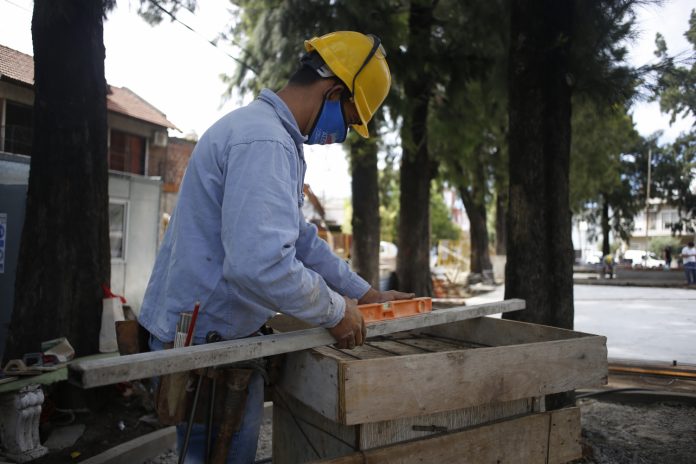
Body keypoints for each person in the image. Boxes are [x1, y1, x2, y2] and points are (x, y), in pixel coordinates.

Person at [138, 31, 413, 463]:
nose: (341, 134)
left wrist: (365, 295)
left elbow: (300, 240)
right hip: (205, 347)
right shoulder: (264, 142)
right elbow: (260, 264)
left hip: (207, 337)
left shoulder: (264, 134)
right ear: (334, 91)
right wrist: (336, 311)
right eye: (349, 117)